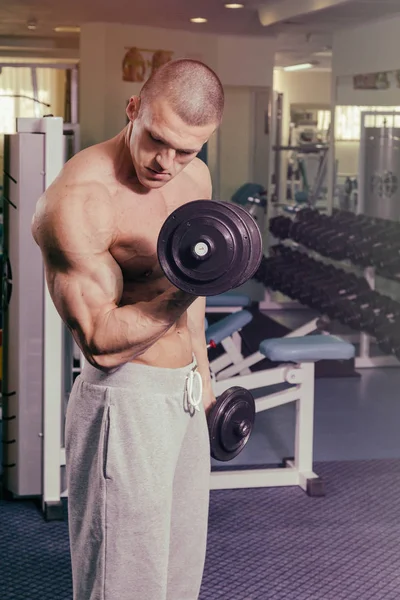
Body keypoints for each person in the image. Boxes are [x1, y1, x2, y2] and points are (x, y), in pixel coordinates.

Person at [32, 59, 225, 600]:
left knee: (177, 572)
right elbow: (98, 343)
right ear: (133, 109)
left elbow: (198, 299)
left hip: (184, 392)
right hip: (125, 400)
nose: (167, 163)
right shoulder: (80, 198)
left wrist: (204, 382)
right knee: (122, 581)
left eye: (186, 149)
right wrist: (187, 284)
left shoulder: (198, 177)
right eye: (157, 140)